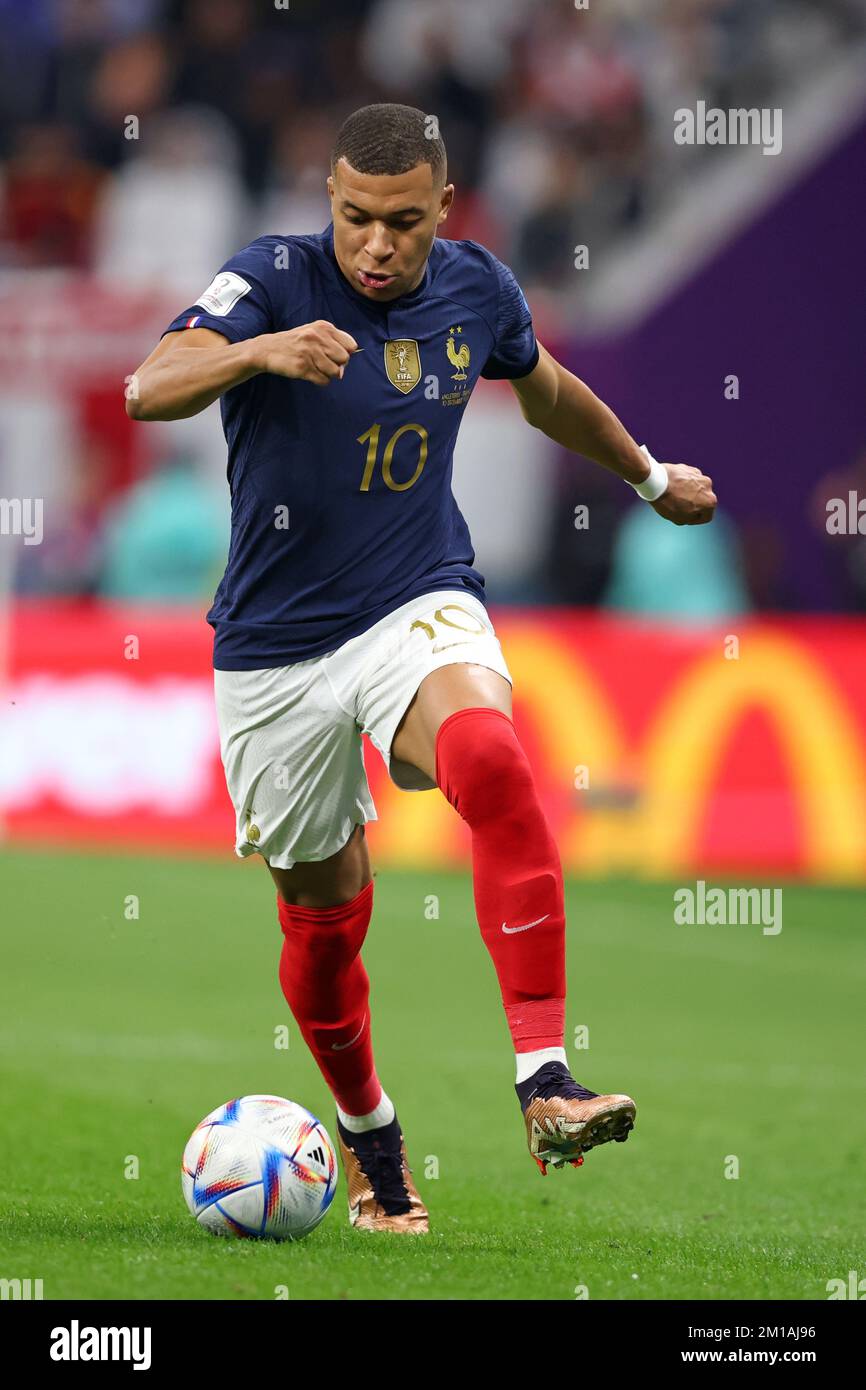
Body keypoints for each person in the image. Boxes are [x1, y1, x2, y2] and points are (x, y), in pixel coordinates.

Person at [126, 102, 716, 1234]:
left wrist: (645, 474)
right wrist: (260, 351)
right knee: (323, 923)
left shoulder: (477, 288)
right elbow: (148, 385)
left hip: (414, 597)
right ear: (329, 205)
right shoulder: (274, 279)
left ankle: (544, 1078)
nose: (377, 244)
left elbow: (539, 386)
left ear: (443, 209)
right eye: (355, 217)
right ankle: (371, 1145)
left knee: (490, 758)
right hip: (273, 650)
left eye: (402, 221)